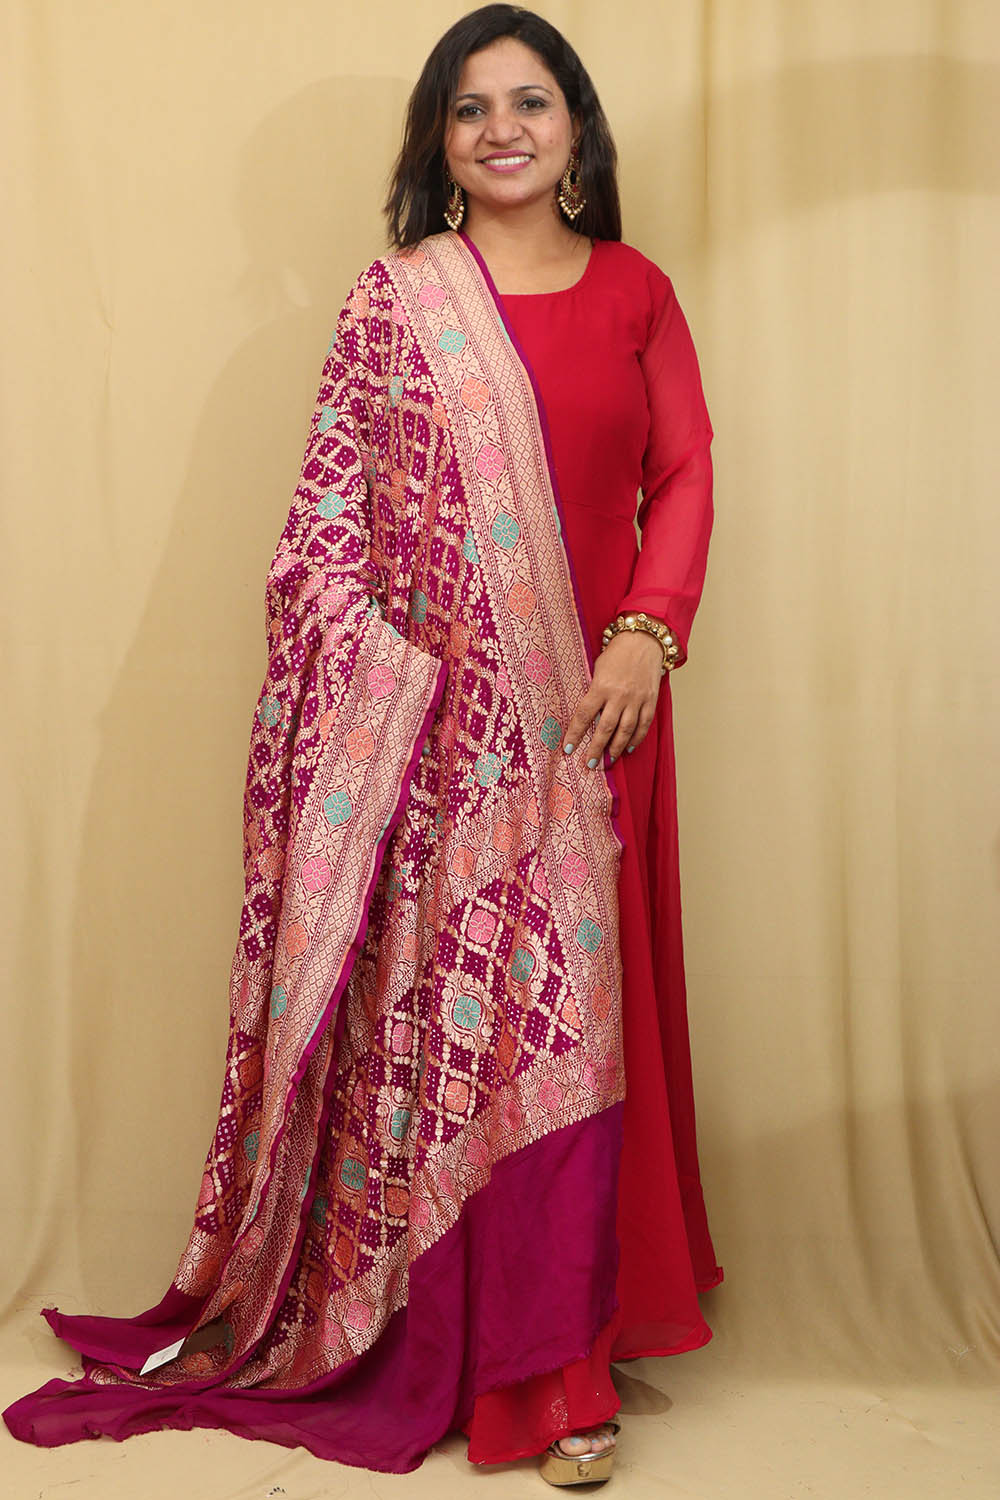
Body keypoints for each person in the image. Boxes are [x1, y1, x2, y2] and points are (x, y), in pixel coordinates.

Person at [4, 3, 722, 1486]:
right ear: (437, 142)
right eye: (470, 108)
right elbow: (321, 543)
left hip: (598, 720)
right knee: (473, 1042)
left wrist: (648, 633)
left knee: (574, 1038)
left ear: (578, 128)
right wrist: (399, 688)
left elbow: (689, 468)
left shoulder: (637, 289)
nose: (503, 129)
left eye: (532, 101)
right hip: (434, 749)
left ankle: (563, 1365)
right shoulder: (394, 307)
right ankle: (497, 1364)